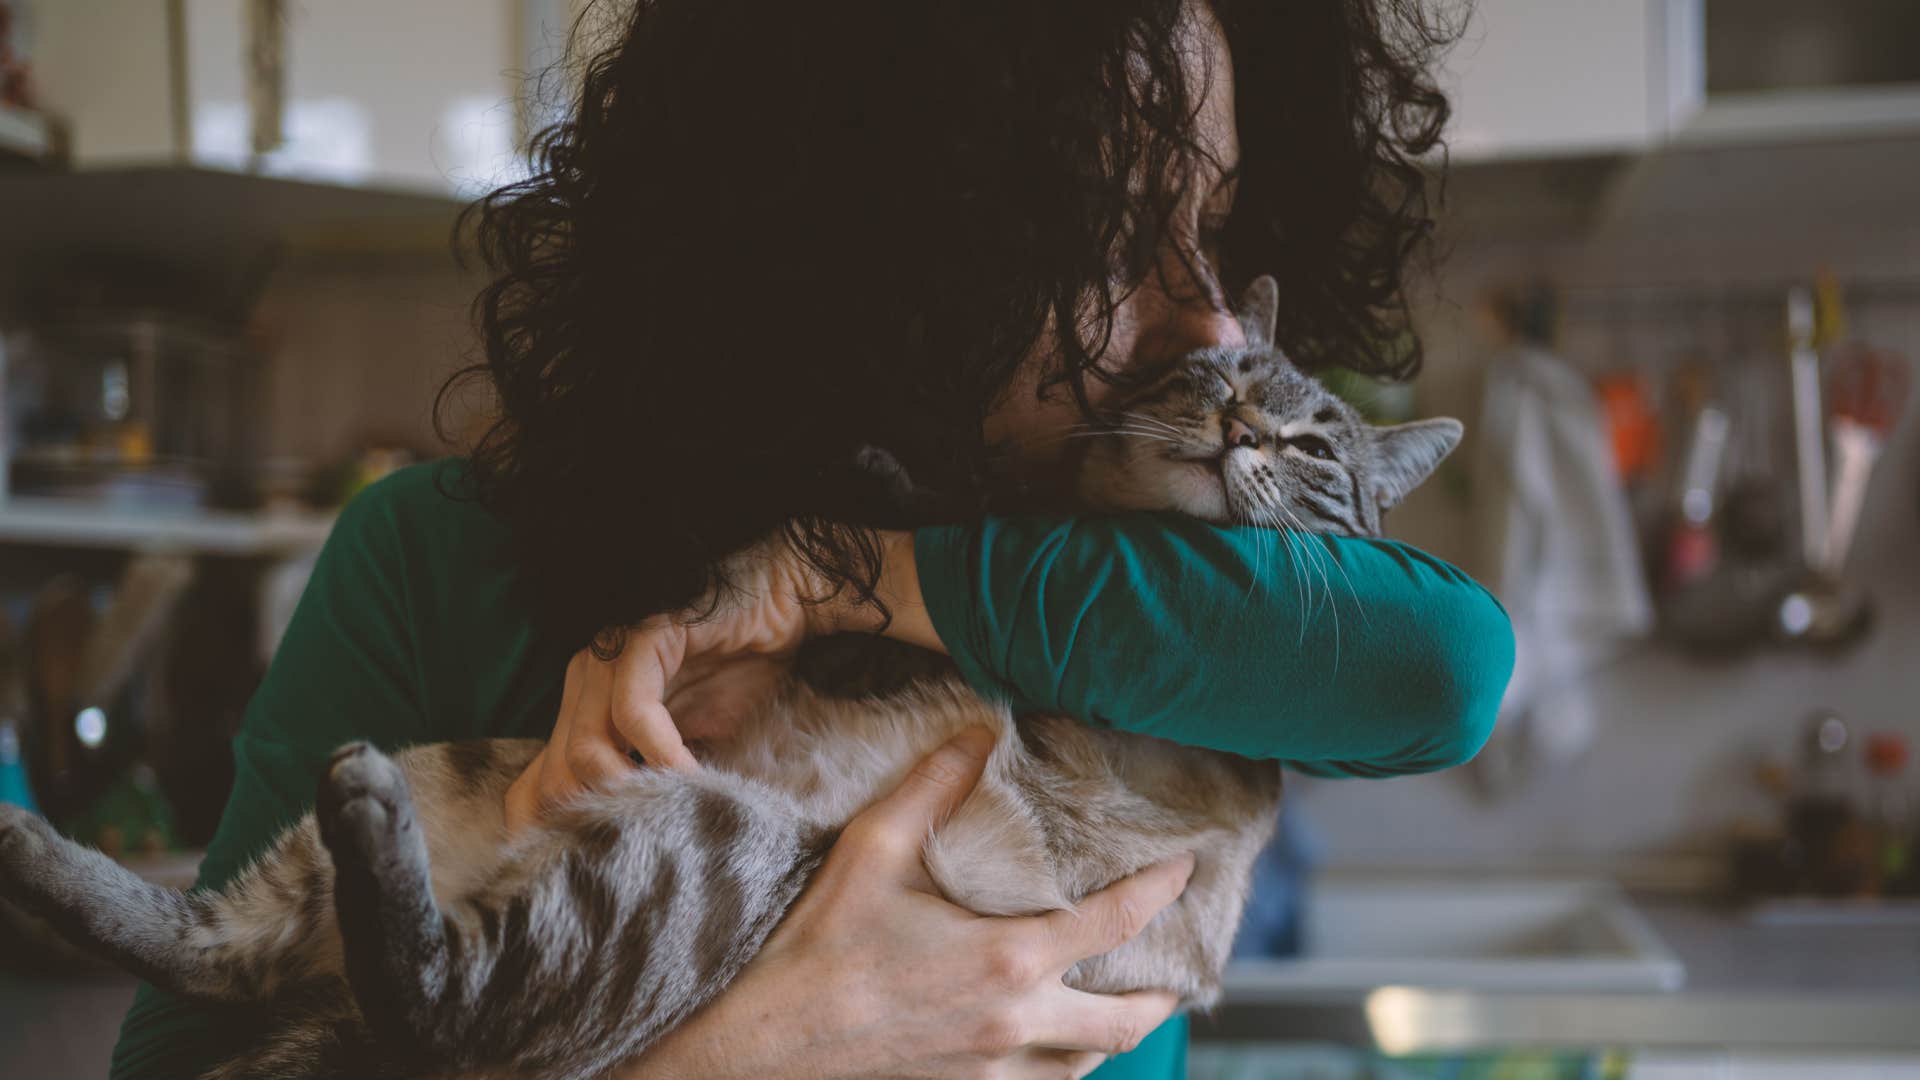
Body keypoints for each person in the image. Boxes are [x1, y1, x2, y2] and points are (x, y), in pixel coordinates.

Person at [111, 1, 1512, 1077]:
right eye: (1100, 239)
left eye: (1206, 220)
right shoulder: (433, 566)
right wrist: (742, 1051)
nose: (1208, 319)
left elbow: (1443, 666)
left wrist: (843, 574)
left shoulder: (1159, 590)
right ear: (877, 244)